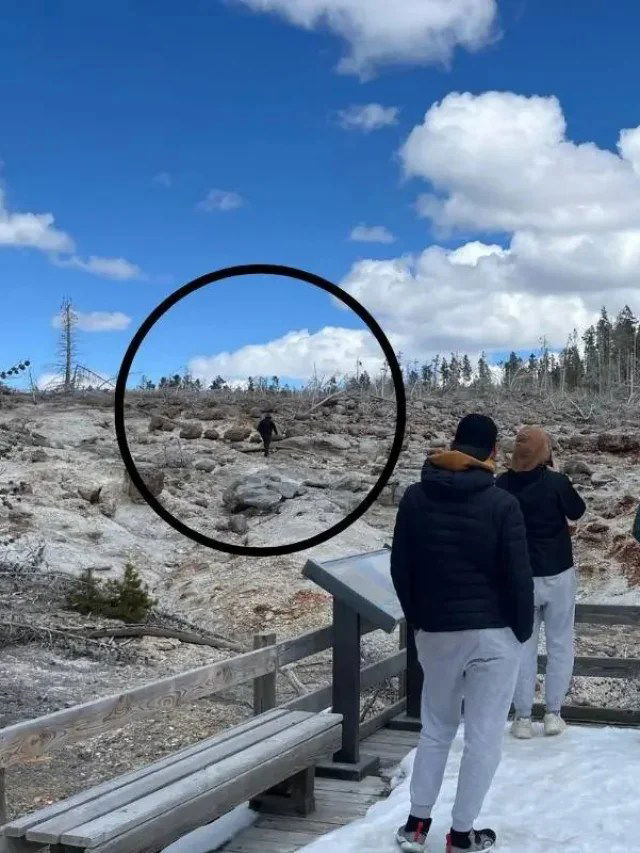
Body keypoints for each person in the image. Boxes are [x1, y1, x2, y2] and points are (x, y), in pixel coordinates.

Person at [390, 414, 534, 853]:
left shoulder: (415, 498)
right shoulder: (502, 503)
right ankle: (462, 833)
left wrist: (420, 618)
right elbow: (518, 576)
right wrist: (521, 633)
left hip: (437, 633)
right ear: (493, 453)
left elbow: (401, 567)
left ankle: (416, 824)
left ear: (452, 444)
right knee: (484, 736)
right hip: (493, 634)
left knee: (436, 728)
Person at [496, 426, 586, 739]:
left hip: (520, 577)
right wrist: (557, 474)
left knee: (522, 647)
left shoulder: (502, 484)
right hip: (558, 573)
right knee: (561, 643)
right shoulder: (556, 482)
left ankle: (522, 718)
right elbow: (578, 510)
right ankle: (553, 713)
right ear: (544, 451)